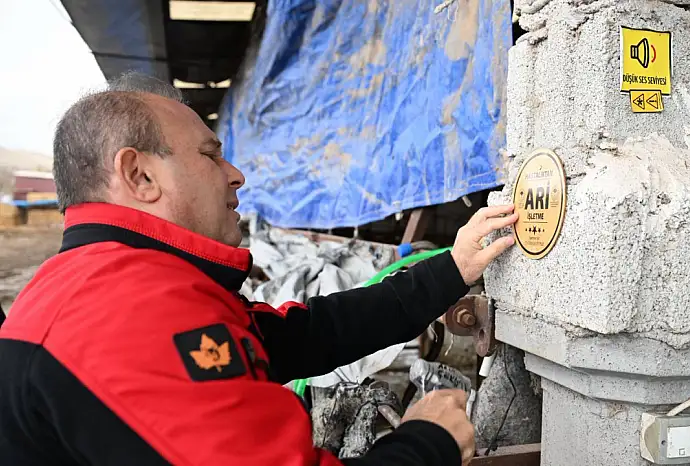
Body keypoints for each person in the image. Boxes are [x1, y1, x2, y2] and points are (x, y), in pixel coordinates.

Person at [0, 73, 518, 466]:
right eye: (210, 155)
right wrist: (428, 441)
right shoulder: (126, 316)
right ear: (140, 175)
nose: (236, 174)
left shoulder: (118, 283)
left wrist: (451, 267)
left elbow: (310, 334)